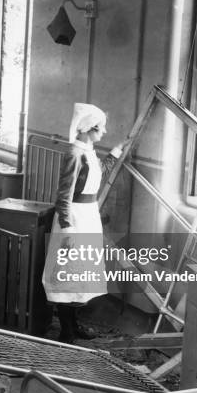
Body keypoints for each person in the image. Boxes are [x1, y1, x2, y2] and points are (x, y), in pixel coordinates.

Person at [42, 102, 124, 344]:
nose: (104, 132)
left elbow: (98, 172)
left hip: (88, 216)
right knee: (66, 275)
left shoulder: (88, 151)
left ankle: (73, 324)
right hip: (74, 219)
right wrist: (67, 230)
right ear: (89, 128)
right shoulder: (74, 154)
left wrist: (116, 152)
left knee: (80, 277)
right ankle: (65, 330)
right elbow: (63, 196)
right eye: (101, 127)